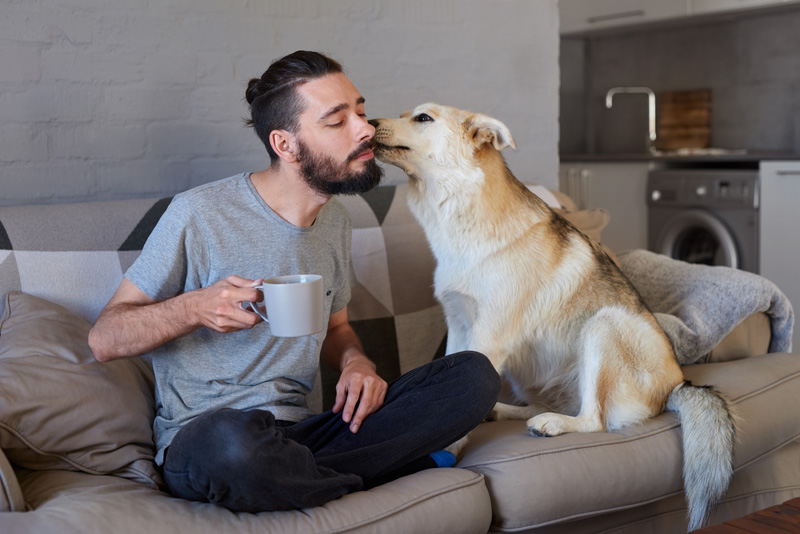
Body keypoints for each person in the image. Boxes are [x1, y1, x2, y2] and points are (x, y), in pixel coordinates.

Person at [88, 50, 500, 512]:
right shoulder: (198, 213)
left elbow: (338, 329)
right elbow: (105, 338)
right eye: (336, 121)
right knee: (234, 443)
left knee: (473, 375)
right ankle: (391, 468)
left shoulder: (335, 222)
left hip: (305, 431)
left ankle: (310, 477)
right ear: (285, 145)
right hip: (208, 435)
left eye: (360, 112)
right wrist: (193, 308)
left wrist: (355, 364)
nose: (365, 129)